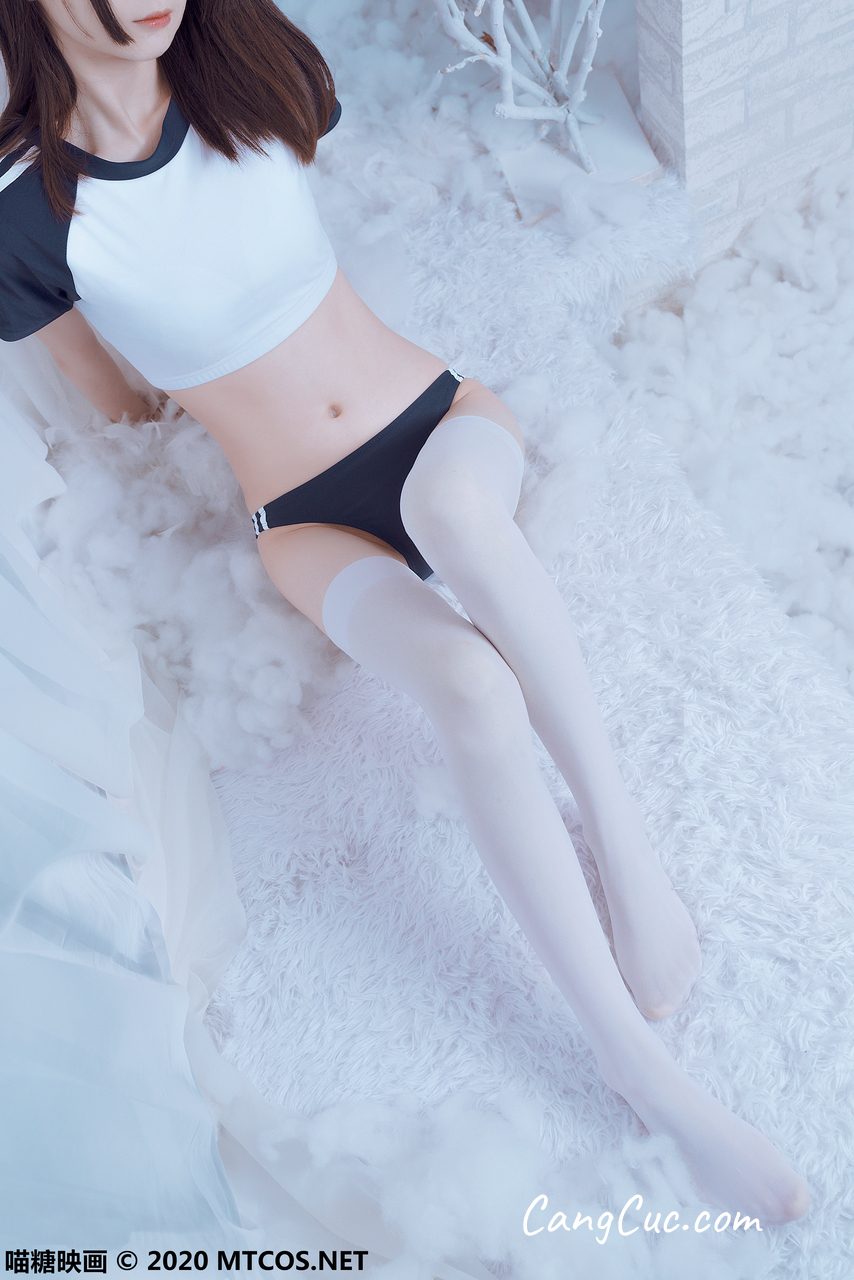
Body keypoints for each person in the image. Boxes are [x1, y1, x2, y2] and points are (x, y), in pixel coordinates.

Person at [0, 0, 810, 1226]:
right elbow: (114, 404)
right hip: (301, 520)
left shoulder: (244, 67)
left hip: (442, 424)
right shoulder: (28, 215)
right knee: (469, 688)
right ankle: (637, 1068)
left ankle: (622, 846)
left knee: (457, 516)